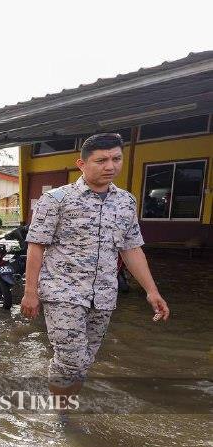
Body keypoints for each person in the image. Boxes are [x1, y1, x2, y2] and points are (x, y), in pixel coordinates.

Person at [21, 133, 169, 399]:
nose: (110, 166)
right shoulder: (57, 200)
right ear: (82, 164)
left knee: (85, 362)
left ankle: (66, 407)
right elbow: (36, 245)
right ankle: (60, 413)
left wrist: (151, 291)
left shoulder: (126, 202)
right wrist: (30, 292)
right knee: (71, 360)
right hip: (62, 292)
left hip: (103, 295)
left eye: (116, 159)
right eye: (101, 160)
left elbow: (132, 248)